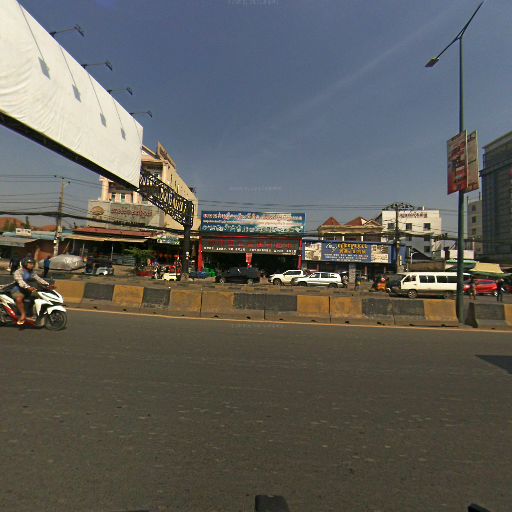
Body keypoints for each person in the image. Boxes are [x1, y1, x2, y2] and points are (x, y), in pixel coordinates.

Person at [11, 255, 51, 325]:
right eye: (30, 263)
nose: (32, 265)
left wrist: (47, 284)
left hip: (27, 289)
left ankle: (33, 313)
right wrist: (28, 287)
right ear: (25, 264)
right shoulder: (18, 271)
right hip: (18, 289)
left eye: (33, 264)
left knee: (39, 296)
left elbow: (38, 279)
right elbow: (20, 281)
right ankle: (23, 314)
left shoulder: (31, 272)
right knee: (19, 299)